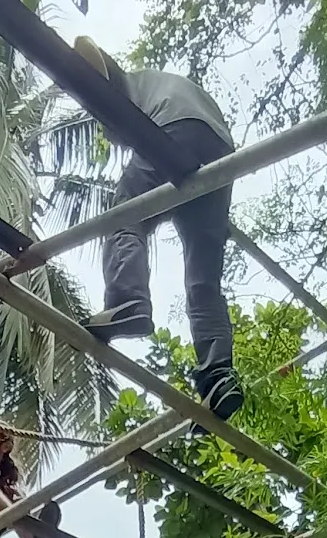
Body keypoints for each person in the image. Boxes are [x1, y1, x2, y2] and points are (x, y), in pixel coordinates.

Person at [73, 36, 242, 423]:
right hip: (218, 144)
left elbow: (95, 66)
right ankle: (218, 376)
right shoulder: (153, 83)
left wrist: (82, 75)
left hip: (172, 125)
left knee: (125, 211)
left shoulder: (124, 89)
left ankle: (127, 300)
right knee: (203, 276)